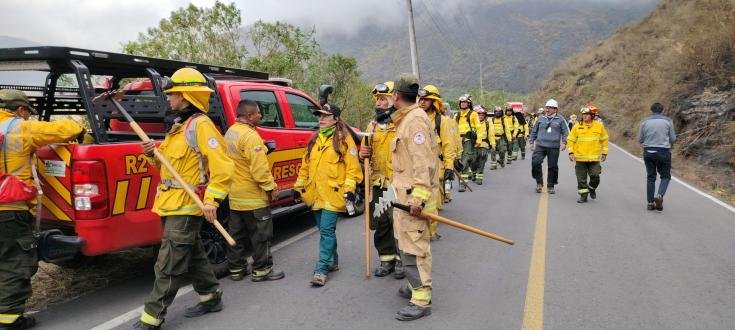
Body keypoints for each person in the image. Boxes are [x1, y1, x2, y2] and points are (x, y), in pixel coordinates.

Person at [135, 68, 234, 330]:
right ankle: (211, 296)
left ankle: (152, 316)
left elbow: (223, 168)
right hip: (169, 203)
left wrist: (212, 200)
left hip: (186, 206)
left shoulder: (201, 126)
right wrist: (151, 154)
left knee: (169, 261)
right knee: (191, 252)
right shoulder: (178, 128)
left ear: (187, 96)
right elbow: (168, 171)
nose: (169, 99)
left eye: (173, 94)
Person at [0, 89, 85, 330]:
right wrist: (79, 129)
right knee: (14, 261)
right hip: (9, 207)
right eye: (27, 112)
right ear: (20, 110)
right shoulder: (20, 128)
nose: (27, 117)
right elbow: (63, 129)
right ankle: (10, 319)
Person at [295, 103, 362, 286]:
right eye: (319, 115)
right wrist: (298, 187)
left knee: (326, 230)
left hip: (334, 194)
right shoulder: (314, 139)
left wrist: (349, 190)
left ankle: (321, 269)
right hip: (315, 194)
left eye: (325, 115)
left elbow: (353, 169)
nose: (321, 119)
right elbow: (305, 166)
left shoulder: (343, 139)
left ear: (336, 119)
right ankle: (332, 261)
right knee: (324, 231)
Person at [389, 74, 437, 321]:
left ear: (395, 95)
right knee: (405, 246)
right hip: (402, 198)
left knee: (415, 250)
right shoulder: (407, 119)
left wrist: (417, 201)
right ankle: (412, 285)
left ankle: (421, 299)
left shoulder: (415, 122)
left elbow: (423, 166)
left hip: (412, 201)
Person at [223, 99, 285, 282]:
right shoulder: (251, 137)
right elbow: (259, 170)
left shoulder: (230, 132)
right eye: (258, 113)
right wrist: (271, 188)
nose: (260, 115)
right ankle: (262, 270)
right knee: (261, 235)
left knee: (236, 235)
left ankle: (236, 269)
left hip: (235, 195)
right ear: (250, 116)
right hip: (253, 196)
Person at [360, 81, 404, 278]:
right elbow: (364, 153)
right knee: (381, 222)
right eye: (377, 99)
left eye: (383, 99)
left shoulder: (402, 124)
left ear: (393, 100)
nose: (379, 103)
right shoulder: (372, 126)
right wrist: (363, 152)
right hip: (379, 182)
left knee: (399, 223)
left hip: (398, 183)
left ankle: (403, 261)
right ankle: (386, 259)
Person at [417, 84, 456, 240]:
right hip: (417, 166)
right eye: (421, 99)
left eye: (427, 99)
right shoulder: (415, 119)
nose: (423, 102)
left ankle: (431, 231)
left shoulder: (443, 121)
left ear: (434, 101)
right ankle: (420, 230)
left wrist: (449, 167)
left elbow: (448, 145)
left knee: (432, 202)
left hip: (435, 167)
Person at [638, 102, 676, 211]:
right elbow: (673, 138)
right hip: (663, 152)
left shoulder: (644, 121)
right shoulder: (668, 121)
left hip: (648, 152)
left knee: (651, 177)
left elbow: (640, 139)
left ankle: (650, 203)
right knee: (665, 176)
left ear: (651, 110)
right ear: (662, 110)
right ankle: (659, 196)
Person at [567, 106, 609, 203]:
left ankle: (592, 188)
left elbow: (604, 140)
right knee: (581, 179)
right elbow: (570, 140)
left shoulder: (599, 126)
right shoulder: (577, 126)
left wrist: (604, 153)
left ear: (593, 115)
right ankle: (583, 196)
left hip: (594, 158)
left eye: (587, 115)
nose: (584, 116)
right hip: (580, 158)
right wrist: (571, 152)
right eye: (583, 115)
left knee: (595, 176)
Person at [529, 99, 569, 194]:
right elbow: (534, 131)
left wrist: (564, 142)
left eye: (550, 108)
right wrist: (531, 142)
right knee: (535, 162)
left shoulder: (561, 120)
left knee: (552, 166)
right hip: (540, 145)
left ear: (555, 109)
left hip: (553, 147)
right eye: (547, 107)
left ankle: (551, 186)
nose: (547, 110)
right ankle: (539, 183)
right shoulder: (540, 119)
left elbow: (566, 132)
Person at [455, 94, 481, 191]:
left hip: (468, 140)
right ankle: (461, 180)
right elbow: (452, 128)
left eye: (465, 102)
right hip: (457, 141)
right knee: (457, 161)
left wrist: (479, 140)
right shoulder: (456, 115)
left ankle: (462, 183)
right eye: (461, 102)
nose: (463, 104)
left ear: (468, 103)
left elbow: (478, 128)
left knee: (464, 161)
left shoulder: (473, 114)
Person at [471, 105, 495, 184]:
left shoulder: (488, 123)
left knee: (482, 158)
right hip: (474, 145)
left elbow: (491, 135)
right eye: (479, 114)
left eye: (482, 115)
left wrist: (493, 145)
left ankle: (479, 178)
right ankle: (474, 172)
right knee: (473, 161)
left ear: (485, 116)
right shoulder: (472, 123)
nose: (481, 116)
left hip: (484, 145)